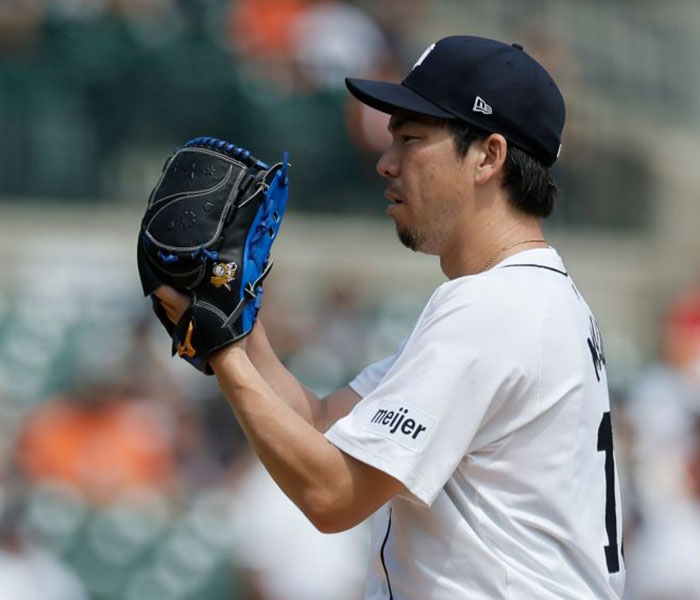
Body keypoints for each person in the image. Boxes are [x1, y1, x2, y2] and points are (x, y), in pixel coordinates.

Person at [155, 35, 625, 599]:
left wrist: (221, 353)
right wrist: (239, 331)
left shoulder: (496, 307)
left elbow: (333, 497)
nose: (385, 161)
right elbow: (324, 423)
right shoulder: (529, 296)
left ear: (488, 157)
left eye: (410, 138)